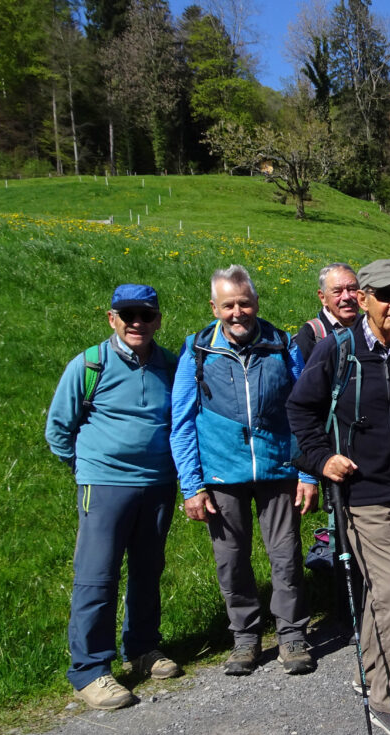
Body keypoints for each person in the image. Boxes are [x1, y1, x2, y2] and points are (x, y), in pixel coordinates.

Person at [287, 259, 390, 735]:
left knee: (385, 592)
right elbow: (300, 410)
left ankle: (369, 673)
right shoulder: (339, 350)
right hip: (364, 495)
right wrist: (320, 459)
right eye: (386, 295)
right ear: (366, 298)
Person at [170, 265, 317, 679]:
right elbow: (181, 422)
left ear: (256, 304)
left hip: (278, 469)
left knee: (285, 556)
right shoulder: (197, 350)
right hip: (220, 474)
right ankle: (245, 639)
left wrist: (307, 473)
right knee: (231, 560)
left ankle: (291, 636)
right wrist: (191, 485)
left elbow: (303, 411)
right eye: (228, 305)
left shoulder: (283, 345)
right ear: (214, 307)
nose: (238, 312)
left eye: (245, 303)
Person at [46, 284, 180, 710]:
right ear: (112, 318)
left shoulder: (171, 366)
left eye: (146, 314)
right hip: (104, 485)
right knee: (97, 576)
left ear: (158, 319)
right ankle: (90, 670)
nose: (136, 322)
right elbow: (59, 430)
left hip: (159, 484)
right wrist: (89, 469)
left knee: (147, 570)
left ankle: (141, 649)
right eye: (128, 315)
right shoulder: (89, 364)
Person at [294, 263, 359, 363]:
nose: (347, 297)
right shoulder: (311, 334)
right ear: (323, 297)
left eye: (352, 289)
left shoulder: (371, 328)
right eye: (337, 291)